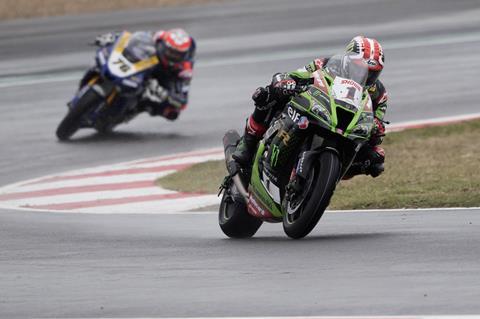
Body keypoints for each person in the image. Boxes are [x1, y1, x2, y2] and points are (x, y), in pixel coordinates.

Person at [232, 35, 388, 178]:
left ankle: (324, 177)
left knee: (376, 159)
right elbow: (298, 74)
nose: (365, 75)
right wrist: (286, 81)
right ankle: (248, 142)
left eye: (372, 73)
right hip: (317, 109)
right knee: (267, 94)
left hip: (347, 128)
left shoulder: (378, 93)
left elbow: (377, 121)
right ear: (347, 60)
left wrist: (377, 127)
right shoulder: (326, 64)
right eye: (359, 68)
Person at [78, 28, 196, 121]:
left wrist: (164, 94)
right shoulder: (158, 37)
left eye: (176, 55)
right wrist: (111, 38)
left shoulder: (184, 70)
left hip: (163, 76)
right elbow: (130, 38)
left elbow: (182, 102)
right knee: (100, 62)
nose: (172, 56)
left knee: (172, 113)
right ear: (164, 44)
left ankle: (133, 109)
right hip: (147, 62)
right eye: (170, 51)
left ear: (183, 56)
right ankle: (86, 86)